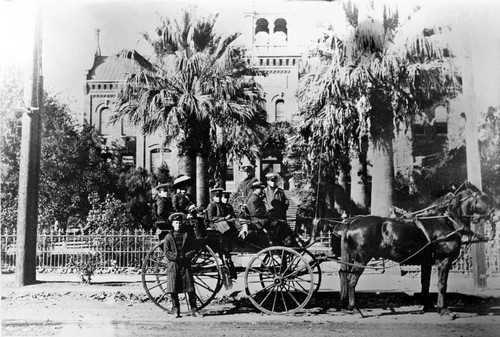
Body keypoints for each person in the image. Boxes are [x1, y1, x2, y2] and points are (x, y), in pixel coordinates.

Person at [163, 212, 203, 318]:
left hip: (185, 264)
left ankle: (194, 310)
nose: (178, 224)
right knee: (173, 289)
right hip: (174, 265)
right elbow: (167, 252)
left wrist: (186, 256)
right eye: (176, 223)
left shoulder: (187, 236)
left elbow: (193, 249)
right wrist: (176, 257)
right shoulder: (168, 237)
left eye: (180, 222)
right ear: (172, 224)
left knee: (190, 288)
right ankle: (176, 310)